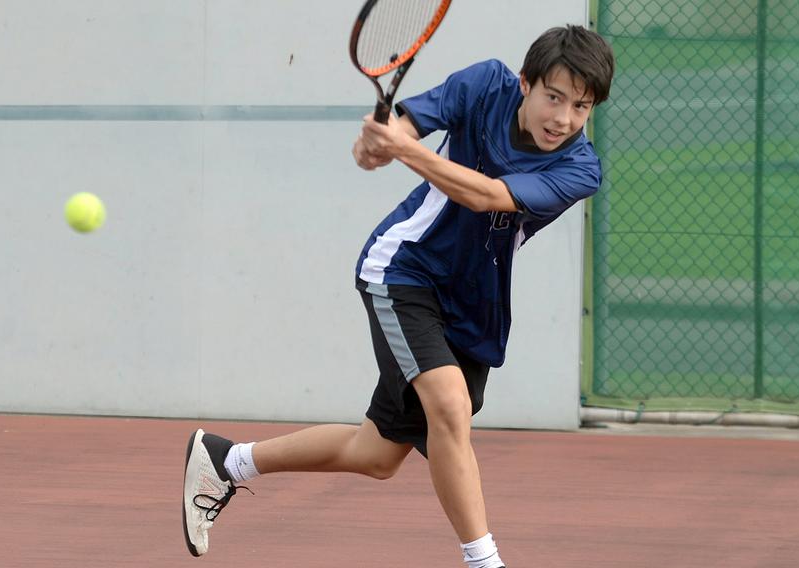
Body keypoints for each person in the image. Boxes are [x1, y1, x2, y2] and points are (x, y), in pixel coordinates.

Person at [182, 24, 614, 568]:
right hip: (404, 269)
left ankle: (227, 462)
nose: (564, 119)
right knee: (450, 406)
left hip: (472, 305)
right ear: (526, 84)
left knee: (378, 455)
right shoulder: (485, 84)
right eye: (555, 97)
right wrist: (378, 146)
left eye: (582, 106)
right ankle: (484, 563)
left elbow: (487, 196)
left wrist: (401, 150)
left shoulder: (579, 167)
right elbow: (405, 126)